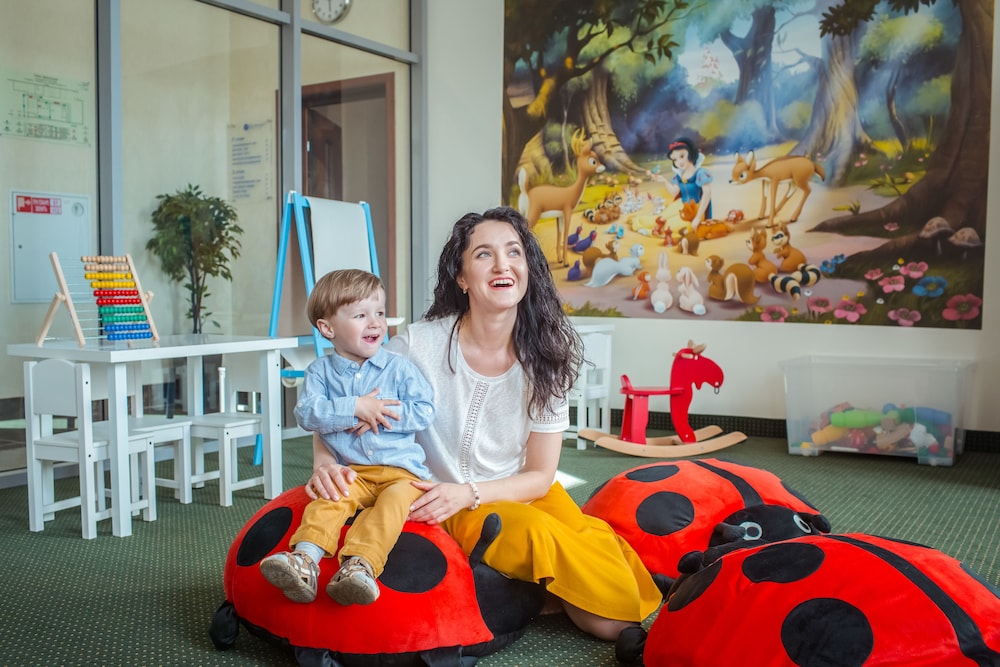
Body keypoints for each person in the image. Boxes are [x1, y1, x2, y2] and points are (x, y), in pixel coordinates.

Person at [304, 207, 662, 664]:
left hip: (520, 487)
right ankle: (545, 590)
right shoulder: (416, 345)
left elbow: (540, 476)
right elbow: (338, 395)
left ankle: (559, 591)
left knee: (596, 566)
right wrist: (324, 461)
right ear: (461, 278)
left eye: (513, 252)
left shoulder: (548, 358)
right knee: (577, 586)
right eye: (484, 254)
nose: (502, 265)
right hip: (440, 497)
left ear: (528, 269)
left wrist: (473, 490)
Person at [260, 269, 435, 606]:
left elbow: (425, 411)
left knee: (393, 505)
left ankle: (360, 566)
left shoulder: (399, 368)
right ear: (328, 329)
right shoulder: (320, 372)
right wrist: (354, 407)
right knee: (330, 498)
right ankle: (304, 562)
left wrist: (381, 413)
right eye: (360, 315)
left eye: (379, 312)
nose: (375, 323)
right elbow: (306, 414)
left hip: (402, 472)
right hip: (352, 470)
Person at [649, 136, 713, 230]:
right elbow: (675, 192)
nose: (679, 162)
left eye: (682, 156)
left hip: (695, 209)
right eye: (675, 159)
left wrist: (698, 217)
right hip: (680, 205)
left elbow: (707, 194)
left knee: (672, 226)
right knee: (661, 219)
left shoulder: (700, 173)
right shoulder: (679, 176)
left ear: (691, 154)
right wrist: (664, 181)